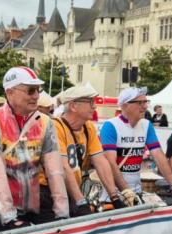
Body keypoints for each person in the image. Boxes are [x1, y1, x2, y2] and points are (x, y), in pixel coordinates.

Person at [0, 66, 68, 232]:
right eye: (30, 90)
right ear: (10, 93)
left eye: (38, 90)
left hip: (31, 200)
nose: (37, 96)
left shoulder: (45, 122)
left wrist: (62, 213)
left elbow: (55, 172)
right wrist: (10, 217)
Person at [49, 85, 121, 217]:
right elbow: (64, 167)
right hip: (51, 194)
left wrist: (114, 196)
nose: (94, 106)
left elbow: (100, 161)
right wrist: (80, 201)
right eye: (90, 102)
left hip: (72, 191)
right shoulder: (55, 126)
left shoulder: (88, 127)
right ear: (73, 106)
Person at [100, 87, 172, 202]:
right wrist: (126, 191)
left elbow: (158, 155)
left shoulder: (146, 125)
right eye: (139, 103)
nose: (145, 106)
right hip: (114, 195)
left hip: (136, 192)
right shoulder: (110, 126)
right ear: (125, 105)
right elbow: (110, 163)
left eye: (146, 102)